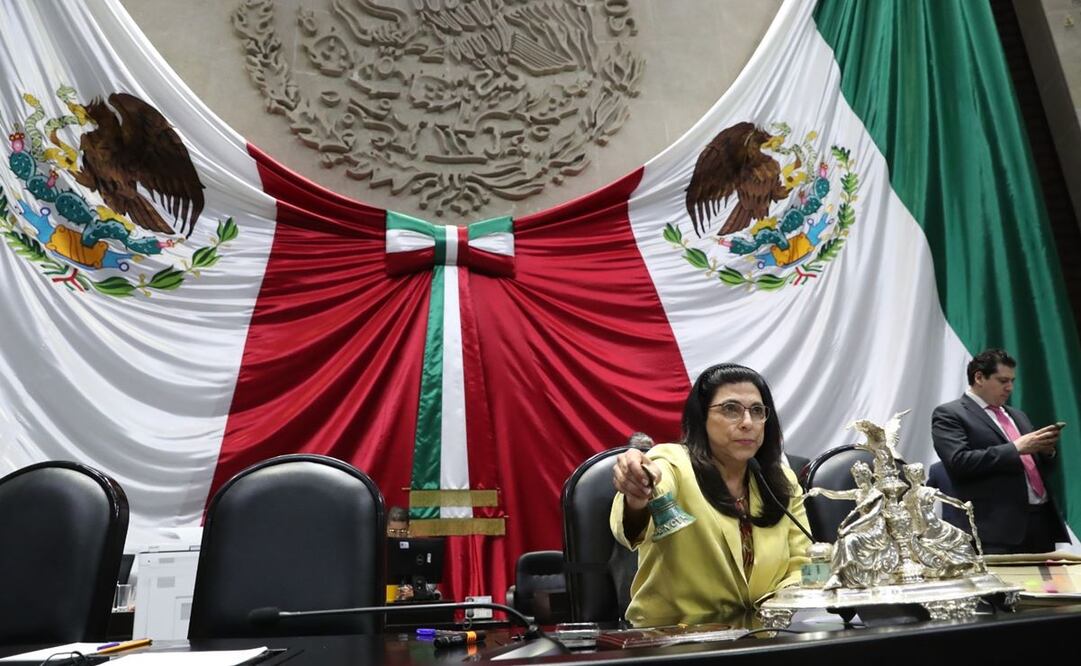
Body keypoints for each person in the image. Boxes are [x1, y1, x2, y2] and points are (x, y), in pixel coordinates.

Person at [611, 363, 810, 627]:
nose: (747, 423)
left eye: (757, 411)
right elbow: (651, 488)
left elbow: (803, 563)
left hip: (764, 635)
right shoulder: (673, 462)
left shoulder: (781, 481)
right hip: (674, 641)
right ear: (701, 417)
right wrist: (638, 488)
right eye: (731, 410)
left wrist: (775, 610)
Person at [931, 349, 1067, 554]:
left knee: (1045, 586)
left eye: (1012, 380)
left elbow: (1036, 467)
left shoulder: (1018, 415)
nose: (1010, 387)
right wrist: (1016, 448)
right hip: (995, 530)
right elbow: (959, 462)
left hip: (1040, 522)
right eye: (1003, 380)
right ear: (979, 377)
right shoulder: (950, 414)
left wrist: (1046, 452)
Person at [807, 461, 899, 589]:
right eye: (856, 477)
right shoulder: (858, 493)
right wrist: (821, 491)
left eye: (860, 476)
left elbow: (870, 516)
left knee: (850, 539)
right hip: (862, 528)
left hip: (876, 530)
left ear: (867, 475)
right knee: (841, 542)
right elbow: (837, 495)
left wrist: (850, 527)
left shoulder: (877, 494)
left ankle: (839, 575)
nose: (858, 480)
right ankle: (839, 576)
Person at [385, 505, 441, 601]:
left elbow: (431, 582)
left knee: (437, 596)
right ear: (385, 529)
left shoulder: (418, 548)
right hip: (384, 596)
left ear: (408, 529)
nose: (398, 536)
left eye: (402, 531)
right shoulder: (379, 549)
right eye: (393, 531)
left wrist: (416, 591)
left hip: (411, 597)